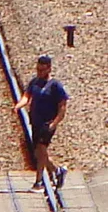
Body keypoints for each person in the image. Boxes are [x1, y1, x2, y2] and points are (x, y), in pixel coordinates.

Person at [18, 55, 71, 189]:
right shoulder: (35, 82)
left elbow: (62, 106)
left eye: (42, 70)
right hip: (36, 122)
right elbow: (27, 96)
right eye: (38, 70)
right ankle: (56, 170)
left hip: (48, 123)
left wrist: (54, 123)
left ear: (48, 69)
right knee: (38, 152)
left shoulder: (55, 85)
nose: (39, 73)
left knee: (41, 148)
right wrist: (19, 105)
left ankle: (39, 180)